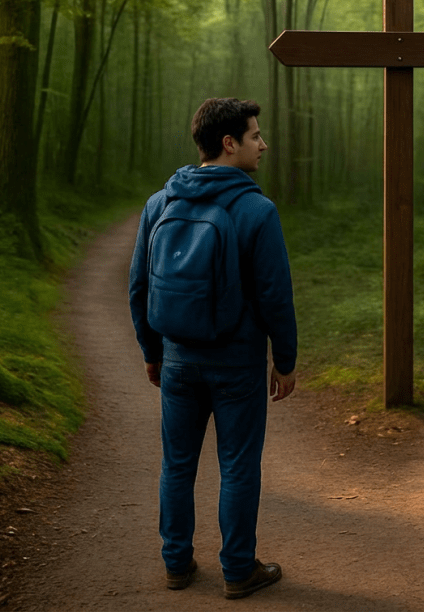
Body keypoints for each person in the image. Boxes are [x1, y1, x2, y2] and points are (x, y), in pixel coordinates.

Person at [128, 98, 297, 600]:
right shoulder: (256, 210)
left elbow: (138, 286)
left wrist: (151, 352)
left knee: (177, 465)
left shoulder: (160, 203)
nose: (263, 144)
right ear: (229, 143)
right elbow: (275, 295)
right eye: (255, 136)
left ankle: (176, 564)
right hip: (238, 365)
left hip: (178, 360)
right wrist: (284, 361)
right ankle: (238, 570)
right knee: (239, 466)